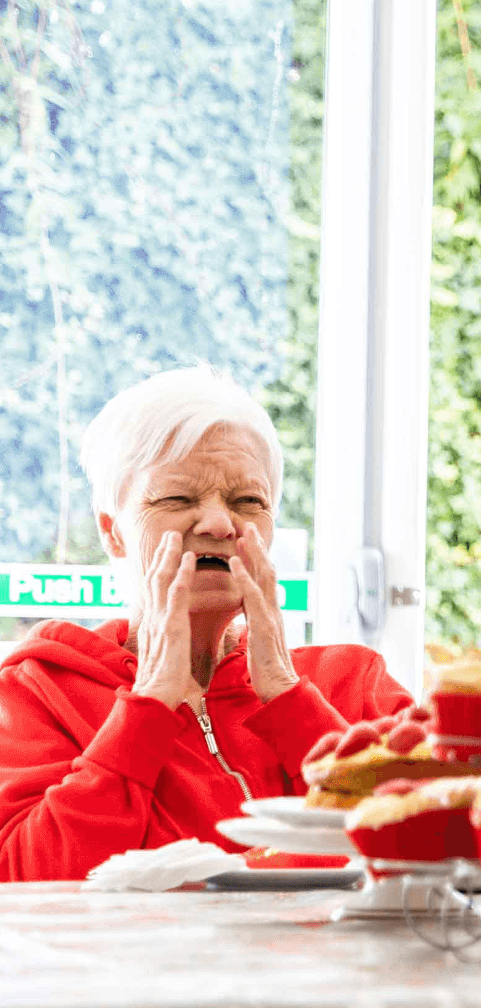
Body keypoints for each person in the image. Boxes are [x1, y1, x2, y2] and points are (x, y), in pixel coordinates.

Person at [0, 368, 412, 881]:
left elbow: (432, 844)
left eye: (248, 502)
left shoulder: (354, 683)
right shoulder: (37, 691)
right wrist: (148, 706)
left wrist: (288, 697)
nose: (220, 524)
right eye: (177, 500)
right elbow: (24, 884)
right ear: (113, 532)